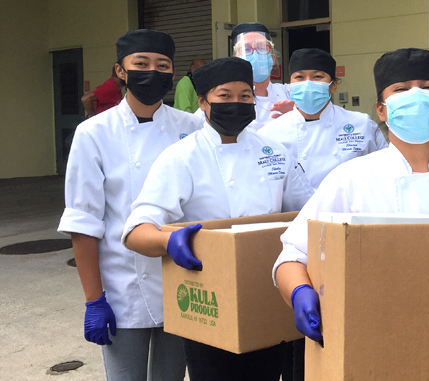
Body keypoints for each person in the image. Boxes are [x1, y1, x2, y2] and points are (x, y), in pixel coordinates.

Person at [272, 48, 429, 370]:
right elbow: (291, 257)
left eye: (428, 87)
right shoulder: (351, 179)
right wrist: (301, 293)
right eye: (401, 89)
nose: (416, 96)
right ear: (382, 110)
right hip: (376, 344)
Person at [122, 57, 313, 381]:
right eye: (224, 96)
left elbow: (309, 212)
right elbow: (135, 231)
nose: (236, 104)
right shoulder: (182, 156)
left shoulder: (274, 151)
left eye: (245, 96)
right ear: (203, 101)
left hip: (267, 294)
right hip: (208, 301)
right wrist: (168, 240)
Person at [57, 29, 202, 381]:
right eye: (141, 63)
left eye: (162, 64)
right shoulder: (93, 133)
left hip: (182, 280)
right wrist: (94, 300)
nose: (152, 71)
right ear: (120, 71)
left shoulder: (192, 127)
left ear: (172, 72)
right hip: (121, 287)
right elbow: (83, 221)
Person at [258, 48, 388, 191]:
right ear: (290, 85)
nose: (308, 83)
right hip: (294, 213)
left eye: (317, 77)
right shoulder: (270, 134)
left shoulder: (361, 125)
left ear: (333, 85)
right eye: (299, 77)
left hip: (348, 211)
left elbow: (384, 172)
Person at [230, 22, 295, 130]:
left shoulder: (289, 93)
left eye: (262, 48)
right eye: (246, 49)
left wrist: (297, 115)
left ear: (273, 59)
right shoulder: (223, 98)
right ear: (235, 60)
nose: (255, 55)